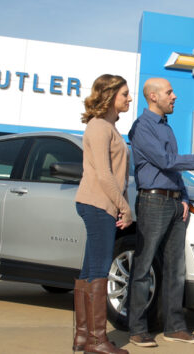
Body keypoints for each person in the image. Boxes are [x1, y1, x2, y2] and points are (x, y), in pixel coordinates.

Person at [127, 77, 194, 347]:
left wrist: (183, 197)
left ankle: (175, 327)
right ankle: (137, 329)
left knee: (176, 269)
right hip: (152, 202)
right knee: (143, 265)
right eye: (169, 92)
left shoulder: (167, 128)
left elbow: (173, 170)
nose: (174, 97)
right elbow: (165, 161)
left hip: (175, 204)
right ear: (152, 97)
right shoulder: (141, 128)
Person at [73, 74, 133, 354]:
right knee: (98, 271)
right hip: (98, 204)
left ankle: (84, 338)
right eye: (124, 94)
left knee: (88, 272)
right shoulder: (99, 127)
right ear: (109, 95)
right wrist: (124, 206)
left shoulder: (108, 126)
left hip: (100, 204)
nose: (129, 99)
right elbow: (104, 174)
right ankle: (98, 341)